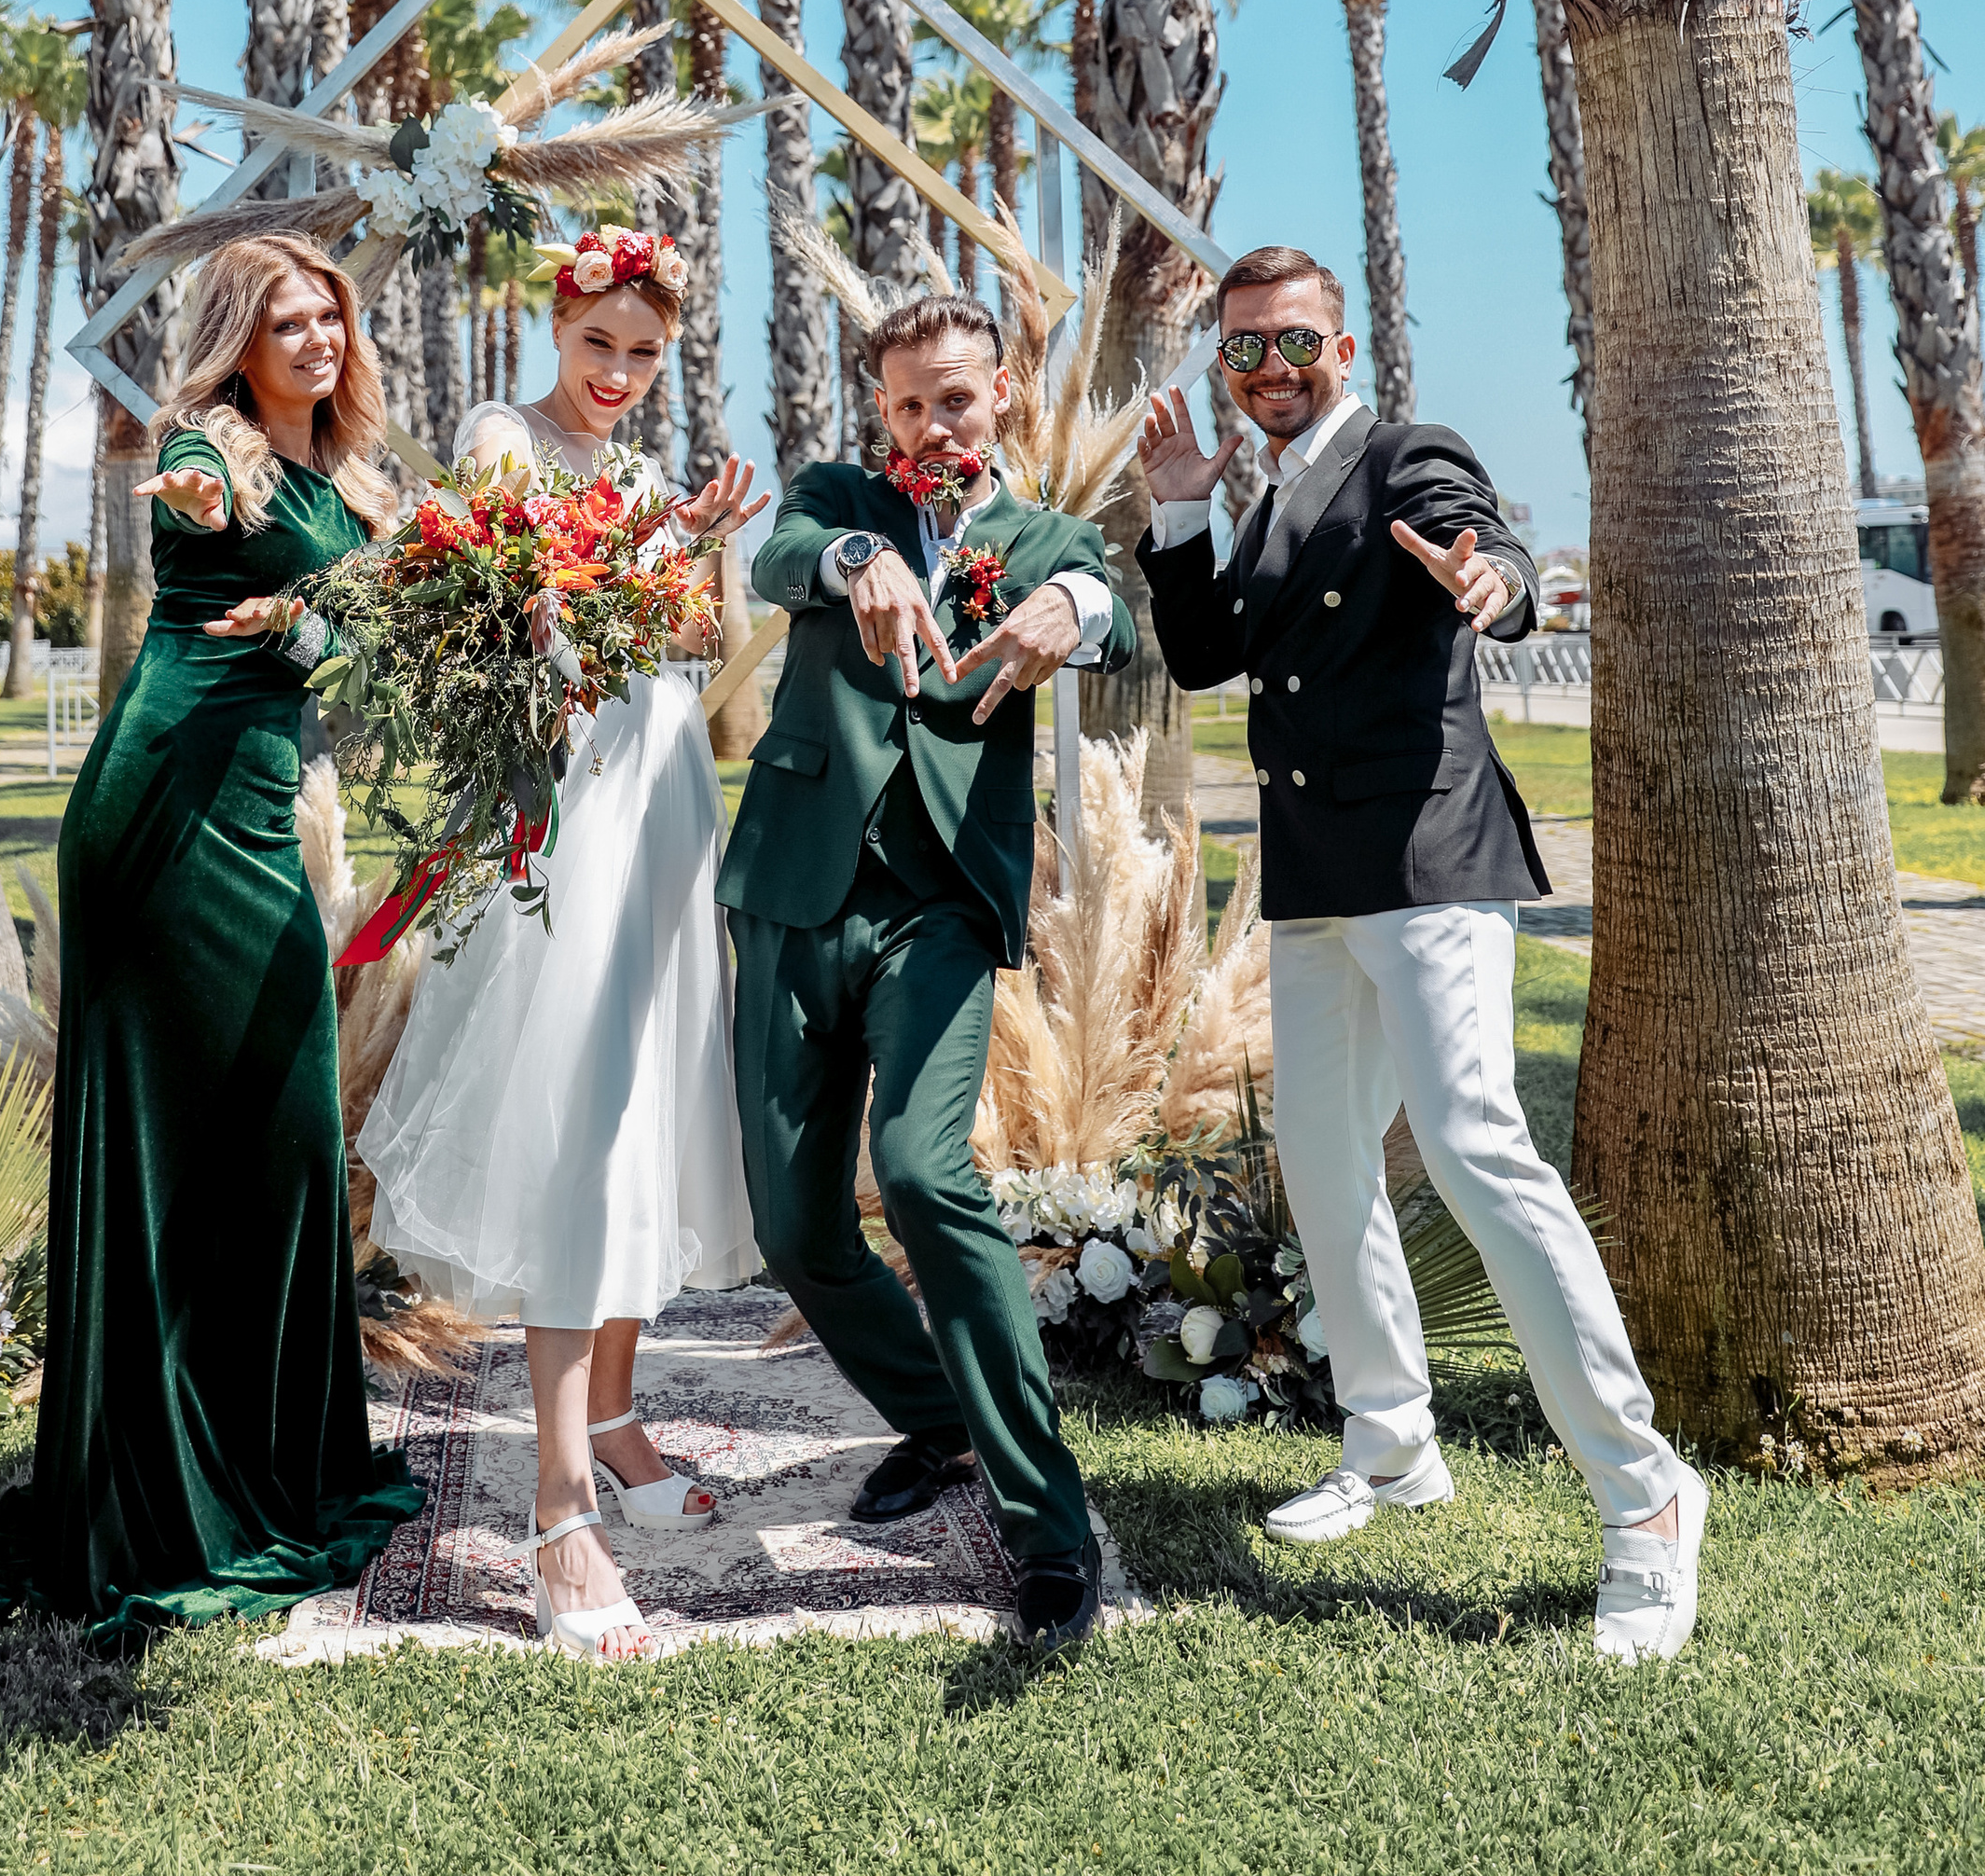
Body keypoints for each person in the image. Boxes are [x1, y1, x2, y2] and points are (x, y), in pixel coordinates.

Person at [1136, 241, 1707, 1665]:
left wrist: (1494, 581)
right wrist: (1177, 511)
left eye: (1296, 343)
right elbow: (1205, 658)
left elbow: (1482, 545)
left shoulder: (1404, 456)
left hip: (1431, 865)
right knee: (1327, 1171)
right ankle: (1391, 1441)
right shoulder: (1260, 503)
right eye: (1245, 350)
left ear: (1347, 345)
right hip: (1317, 879)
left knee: (1473, 1146)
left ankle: (1645, 1497)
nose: (1272, 370)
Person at [0, 235, 422, 1645]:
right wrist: (219, 514)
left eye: (329, 315)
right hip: (163, 815)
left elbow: (366, 628)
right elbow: (194, 506)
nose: (315, 338)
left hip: (258, 814)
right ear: (237, 342)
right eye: (284, 320)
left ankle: (274, 1458)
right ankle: (158, 1494)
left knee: (281, 1134)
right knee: (176, 1142)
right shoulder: (217, 453)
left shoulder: (351, 476)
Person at [356, 227, 769, 1664]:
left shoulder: (653, 474)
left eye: (645, 353)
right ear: (559, 327)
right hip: (564, 816)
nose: (619, 374)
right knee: (578, 1124)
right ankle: (556, 1506)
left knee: (648, 1106)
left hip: (659, 801)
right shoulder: (500, 440)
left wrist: (699, 543)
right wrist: (599, 589)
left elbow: (686, 642)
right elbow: (528, 632)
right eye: (599, 344)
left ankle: (616, 1414)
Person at [719, 285, 1137, 1657]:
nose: (928, 423)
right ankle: (939, 1413)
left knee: (921, 1171)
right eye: (904, 403)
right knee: (793, 1228)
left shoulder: (1037, 538)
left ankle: (1048, 1530)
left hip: (939, 910)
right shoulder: (838, 497)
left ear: (1001, 392)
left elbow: (1112, 603)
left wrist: (1066, 608)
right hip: (792, 891)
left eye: (952, 397)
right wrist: (857, 559)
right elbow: (780, 556)